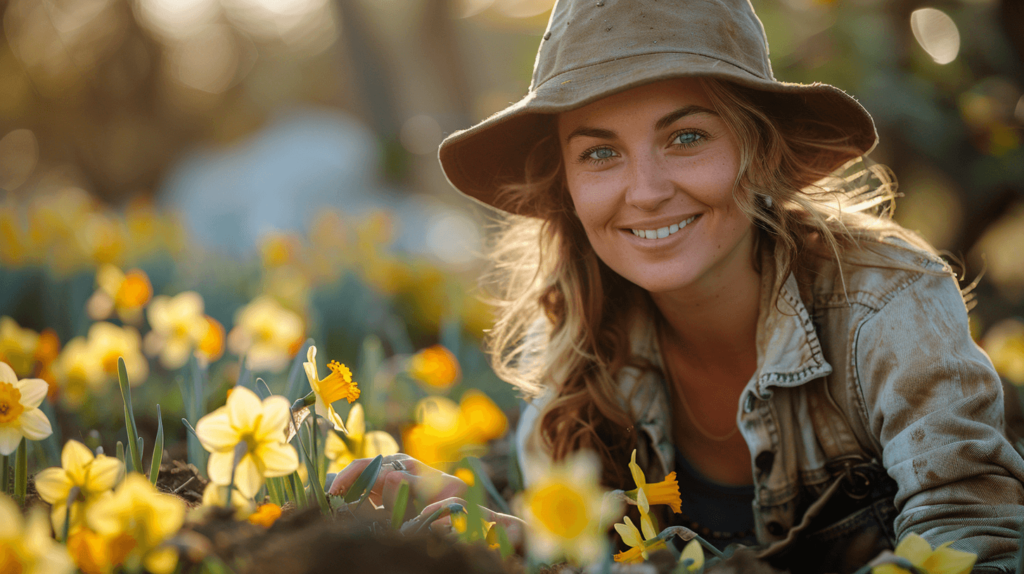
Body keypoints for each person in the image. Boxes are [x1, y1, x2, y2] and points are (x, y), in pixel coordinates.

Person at [331, 0, 1024, 571]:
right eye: (600, 153)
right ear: (567, 187)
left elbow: (975, 538)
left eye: (686, 138)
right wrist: (504, 537)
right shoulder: (575, 360)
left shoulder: (890, 307)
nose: (648, 191)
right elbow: (599, 560)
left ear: (758, 151)